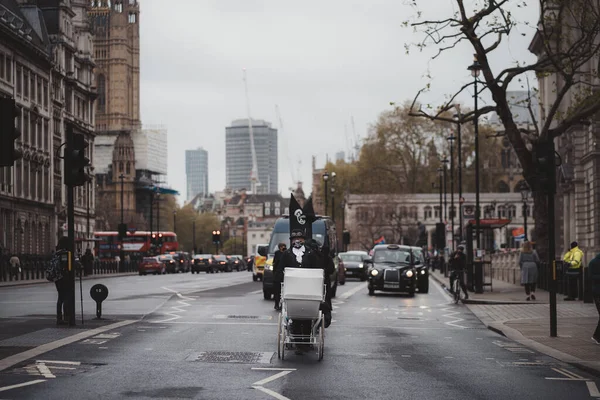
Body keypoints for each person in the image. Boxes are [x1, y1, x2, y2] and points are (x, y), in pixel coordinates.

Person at [54, 237, 72, 325]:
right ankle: (66, 317)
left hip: (57, 278)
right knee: (66, 298)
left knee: (60, 298)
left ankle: (59, 317)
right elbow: (65, 265)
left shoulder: (56, 253)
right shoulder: (65, 254)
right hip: (64, 277)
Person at [589, 252, 600, 344]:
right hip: (598, 292)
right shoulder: (593, 262)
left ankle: (596, 336)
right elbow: (591, 276)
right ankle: (596, 336)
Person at [272, 242, 287, 311]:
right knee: (277, 291)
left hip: (285, 274)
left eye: (284, 246)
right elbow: (275, 263)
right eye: (281, 246)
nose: (282, 248)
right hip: (278, 274)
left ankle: (282, 304)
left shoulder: (287, 253)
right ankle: (276, 304)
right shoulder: (277, 253)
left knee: (283, 291)